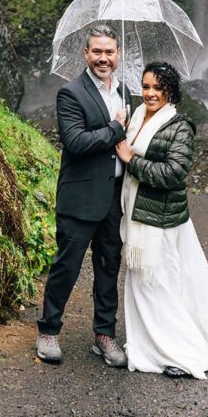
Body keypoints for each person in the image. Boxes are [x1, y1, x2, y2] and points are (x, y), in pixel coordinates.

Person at [115, 61, 208, 379]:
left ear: (170, 91)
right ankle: (152, 347)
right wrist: (118, 127)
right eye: (145, 86)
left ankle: (184, 352)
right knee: (144, 285)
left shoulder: (180, 126)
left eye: (157, 88)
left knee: (160, 285)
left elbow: (174, 173)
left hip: (161, 219)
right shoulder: (134, 118)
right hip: (137, 215)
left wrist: (132, 160)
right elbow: (122, 148)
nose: (149, 93)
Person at [36, 25, 133, 367]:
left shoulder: (125, 92)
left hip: (114, 199)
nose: (103, 58)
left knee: (109, 268)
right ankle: (48, 331)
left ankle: (104, 335)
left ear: (118, 55)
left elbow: (123, 144)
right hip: (80, 198)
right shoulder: (71, 93)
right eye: (97, 52)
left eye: (109, 52)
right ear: (86, 54)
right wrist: (115, 129)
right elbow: (75, 143)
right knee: (67, 266)